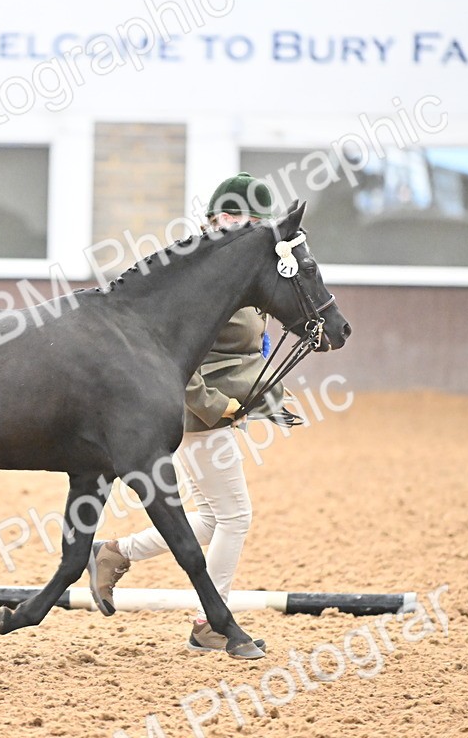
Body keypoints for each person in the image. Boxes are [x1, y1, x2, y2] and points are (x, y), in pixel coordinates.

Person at [86, 172, 296, 653]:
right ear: (220, 218)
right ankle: (210, 623)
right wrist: (211, 405)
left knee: (209, 518)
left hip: (222, 409)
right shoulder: (203, 276)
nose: (256, 230)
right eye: (247, 219)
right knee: (236, 517)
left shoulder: (232, 267)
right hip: (202, 413)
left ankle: (114, 553)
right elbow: (181, 353)